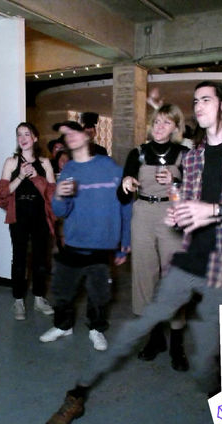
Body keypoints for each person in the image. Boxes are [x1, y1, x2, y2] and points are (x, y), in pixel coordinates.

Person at [44, 81, 222, 424]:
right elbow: (187, 205)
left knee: (217, 355)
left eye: (206, 99)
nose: (199, 105)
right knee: (134, 327)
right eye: (195, 100)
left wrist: (211, 211)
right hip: (190, 258)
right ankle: (77, 394)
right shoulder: (194, 155)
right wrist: (178, 215)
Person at [39, 121, 131, 352]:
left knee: (98, 292)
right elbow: (61, 211)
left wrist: (125, 241)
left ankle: (96, 329)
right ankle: (63, 326)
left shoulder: (109, 167)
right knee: (63, 288)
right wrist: (59, 196)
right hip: (74, 240)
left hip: (102, 243)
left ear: (87, 135)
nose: (69, 136)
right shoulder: (69, 170)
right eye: (65, 134)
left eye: (73, 131)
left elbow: (125, 205)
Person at [120, 103, 189, 370]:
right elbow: (121, 195)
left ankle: (177, 345)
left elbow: (195, 192)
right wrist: (125, 184)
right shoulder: (137, 153)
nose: (160, 127)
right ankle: (155, 337)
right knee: (144, 277)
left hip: (172, 214)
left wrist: (175, 182)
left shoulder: (184, 154)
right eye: (157, 121)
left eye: (166, 122)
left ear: (175, 128)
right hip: (143, 214)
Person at [0, 122, 56, 320]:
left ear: (35, 138)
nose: (22, 138)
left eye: (27, 134)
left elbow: (53, 195)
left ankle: (39, 298)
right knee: (19, 258)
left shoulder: (45, 162)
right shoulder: (11, 162)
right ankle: (18, 300)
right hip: (19, 217)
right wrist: (21, 176)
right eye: (19, 134)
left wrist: (37, 177)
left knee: (41, 259)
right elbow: (1, 196)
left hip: (40, 217)